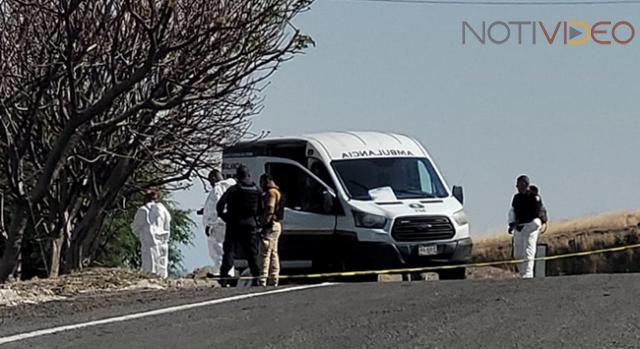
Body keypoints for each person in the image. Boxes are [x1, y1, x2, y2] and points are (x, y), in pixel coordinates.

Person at [216, 165, 262, 286]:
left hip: (234, 224)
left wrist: (224, 216)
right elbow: (261, 209)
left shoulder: (234, 190)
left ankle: (224, 278)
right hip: (250, 224)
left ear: (238, 176)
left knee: (230, 252)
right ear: (248, 175)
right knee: (252, 253)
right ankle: (257, 278)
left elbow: (220, 205)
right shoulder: (256, 190)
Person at [200, 169, 236, 275]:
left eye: (210, 181)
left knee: (218, 250)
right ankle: (229, 273)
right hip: (229, 223)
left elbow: (216, 208)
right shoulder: (232, 186)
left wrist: (209, 225)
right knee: (228, 251)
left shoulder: (218, 189)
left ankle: (221, 273)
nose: (210, 184)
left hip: (218, 225)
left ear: (214, 178)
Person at [508, 175, 543, 279]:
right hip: (519, 227)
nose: (516, 186)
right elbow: (513, 211)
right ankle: (522, 272)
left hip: (530, 225)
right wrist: (512, 224)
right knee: (518, 253)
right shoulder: (517, 198)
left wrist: (521, 220)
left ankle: (528, 274)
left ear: (525, 184)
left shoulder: (534, 197)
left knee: (528, 249)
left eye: (518, 184)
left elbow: (534, 212)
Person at [132, 191, 172, 278]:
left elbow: (135, 227)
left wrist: (140, 235)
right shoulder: (164, 210)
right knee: (162, 262)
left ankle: (150, 279)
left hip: (149, 241)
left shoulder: (143, 210)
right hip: (163, 240)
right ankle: (162, 279)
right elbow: (167, 224)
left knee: (150, 264)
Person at [258, 173, 283, 287]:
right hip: (276, 225)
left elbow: (270, 208)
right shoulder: (278, 192)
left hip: (270, 226)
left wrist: (263, 223)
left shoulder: (271, 193)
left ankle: (262, 279)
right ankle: (274, 278)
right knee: (273, 253)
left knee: (265, 253)